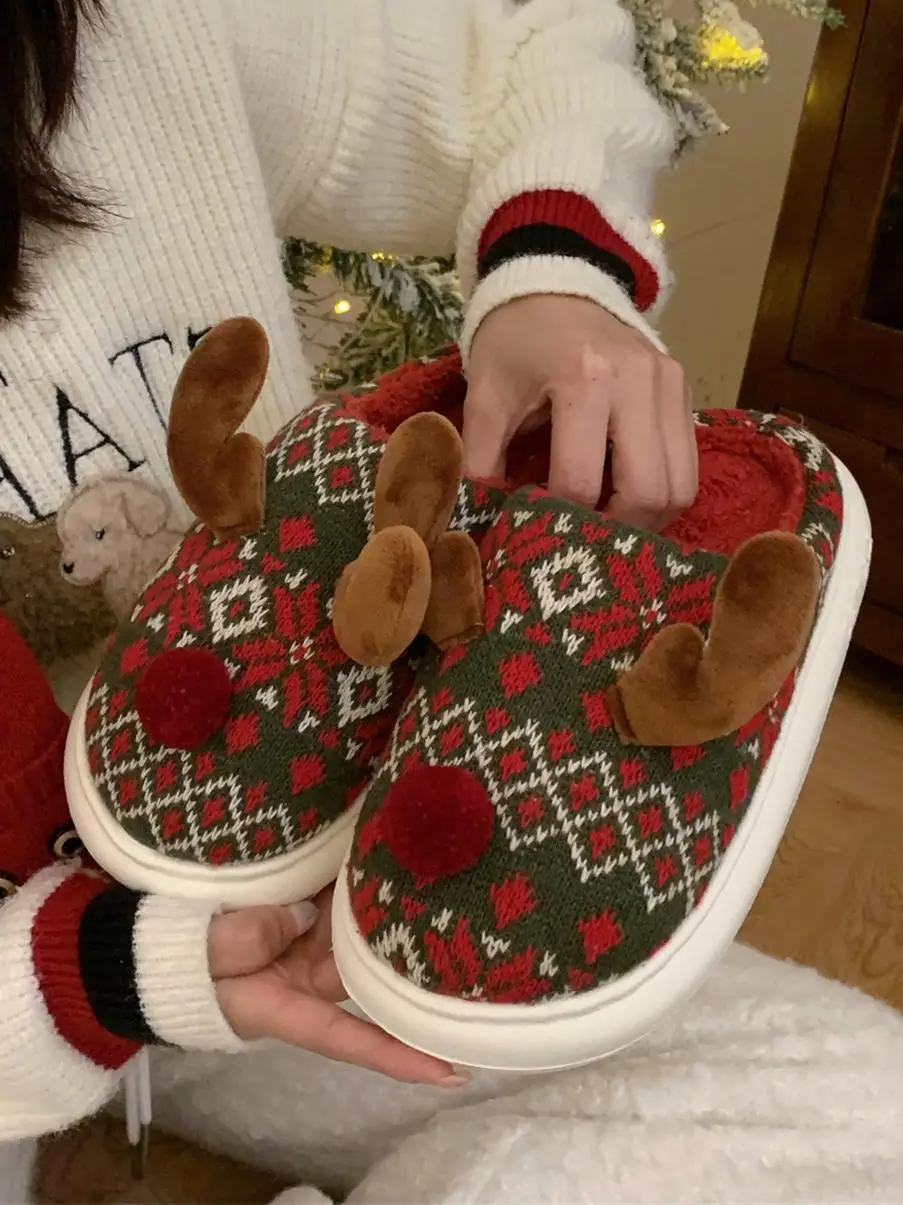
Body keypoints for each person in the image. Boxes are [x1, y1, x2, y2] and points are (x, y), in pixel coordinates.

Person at [3, 2, 901, 1203]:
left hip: (314, 916)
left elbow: (539, 34)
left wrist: (556, 273)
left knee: (866, 1102)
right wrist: (97, 974)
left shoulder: (135, 36)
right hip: (64, 970)